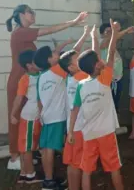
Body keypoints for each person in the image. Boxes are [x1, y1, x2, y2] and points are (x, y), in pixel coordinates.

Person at [5, 4, 87, 170]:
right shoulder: (20, 32)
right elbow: (48, 30)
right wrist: (74, 21)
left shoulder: (24, 37)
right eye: (30, 12)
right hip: (20, 81)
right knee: (17, 120)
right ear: (21, 14)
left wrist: (64, 44)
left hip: (30, 81)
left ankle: (28, 154)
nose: (33, 14)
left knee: (31, 121)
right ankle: (15, 157)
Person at [68, 19, 124, 190]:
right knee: (114, 167)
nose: (102, 60)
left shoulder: (81, 85)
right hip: (106, 132)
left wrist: (70, 131)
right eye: (98, 59)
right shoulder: (105, 78)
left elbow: (75, 110)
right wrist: (114, 32)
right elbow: (112, 51)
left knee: (87, 169)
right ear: (97, 64)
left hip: (89, 133)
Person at [35, 38, 78, 190]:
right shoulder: (58, 71)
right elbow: (70, 59)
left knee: (47, 148)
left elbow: (39, 101)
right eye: (54, 54)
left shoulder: (41, 77)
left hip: (46, 117)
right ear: (49, 59)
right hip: (58, 116)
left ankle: (49, 179)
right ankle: (49, 183)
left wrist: (42, 117)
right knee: (51, 149)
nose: (57, 54)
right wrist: (84, 36)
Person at [59, 26, 91, 190]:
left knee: (71, 161)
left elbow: (73, 52)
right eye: (78, 59)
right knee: (80, 162)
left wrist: (84, 35)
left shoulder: (70, 77)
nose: (81, 60)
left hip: (72, 128)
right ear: (71, 66)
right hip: (79, 128)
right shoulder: (82, 77)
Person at [10, 50, 43, 184]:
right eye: (36, 60)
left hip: (35, 116)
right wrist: (13, 114)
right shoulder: (25, 78)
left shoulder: (40, 75)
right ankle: (31, 175)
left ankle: (24, 172)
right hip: (29, 117)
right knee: (27, 148)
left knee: (27, 146)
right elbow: (19, 98)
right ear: (29, 65)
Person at [99, 22, 134, 113]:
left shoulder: (111, 41)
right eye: (107, 31)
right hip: (109, 80)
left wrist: (125, 30)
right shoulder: (102, 42)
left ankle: (115, 125)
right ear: (102, 34)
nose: (110, 33)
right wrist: (118, 31)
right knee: (109, 105)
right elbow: (111, 39)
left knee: (116, 104)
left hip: (117, 78)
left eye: (111, 31)